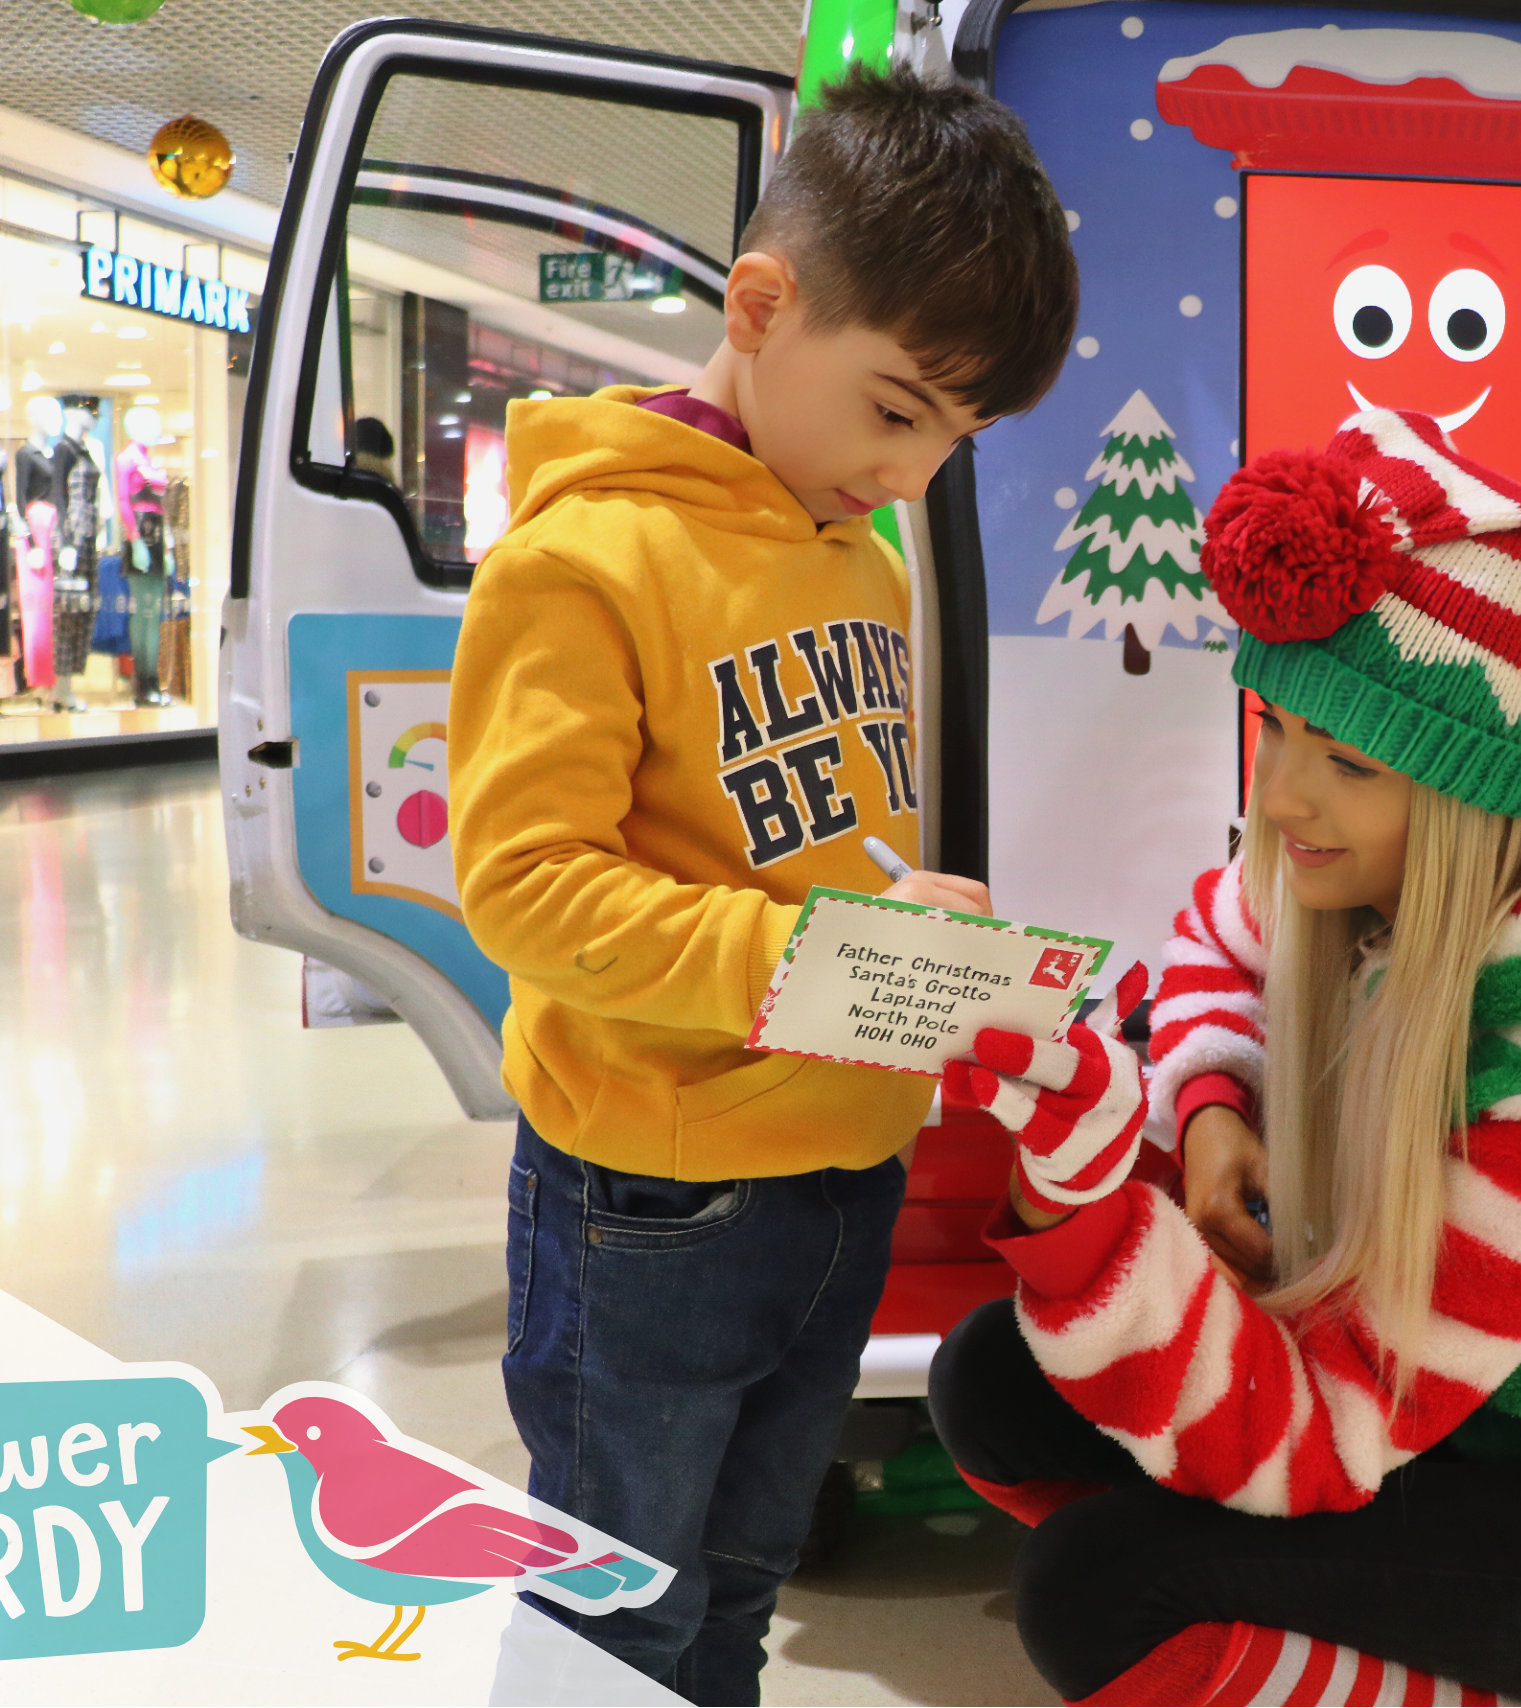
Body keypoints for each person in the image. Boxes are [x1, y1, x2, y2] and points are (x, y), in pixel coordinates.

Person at [929, 412, 1521, 1707]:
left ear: (1471, 793)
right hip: (1504, 1419)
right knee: (995, 1379)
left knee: (1104, 1591)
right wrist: (1214, 1107)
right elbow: (1225, 931)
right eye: (1276, 732)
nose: (1281, 800)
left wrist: (1075, 1205)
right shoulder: (1402, 878)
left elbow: (1313, 1438)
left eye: (1347, 762)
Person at [446, 66, 1079, 1705]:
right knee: (613, 1618)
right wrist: (819, 952)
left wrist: (911, 927)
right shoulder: (582, 561)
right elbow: (522, 888)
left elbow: (802, 837)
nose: (917, 473)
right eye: (895, 409)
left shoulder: (855, 544)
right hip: (651, 1199)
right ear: (762, 301)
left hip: (842, 1162)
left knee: (739, 1585)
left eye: (957, 435)